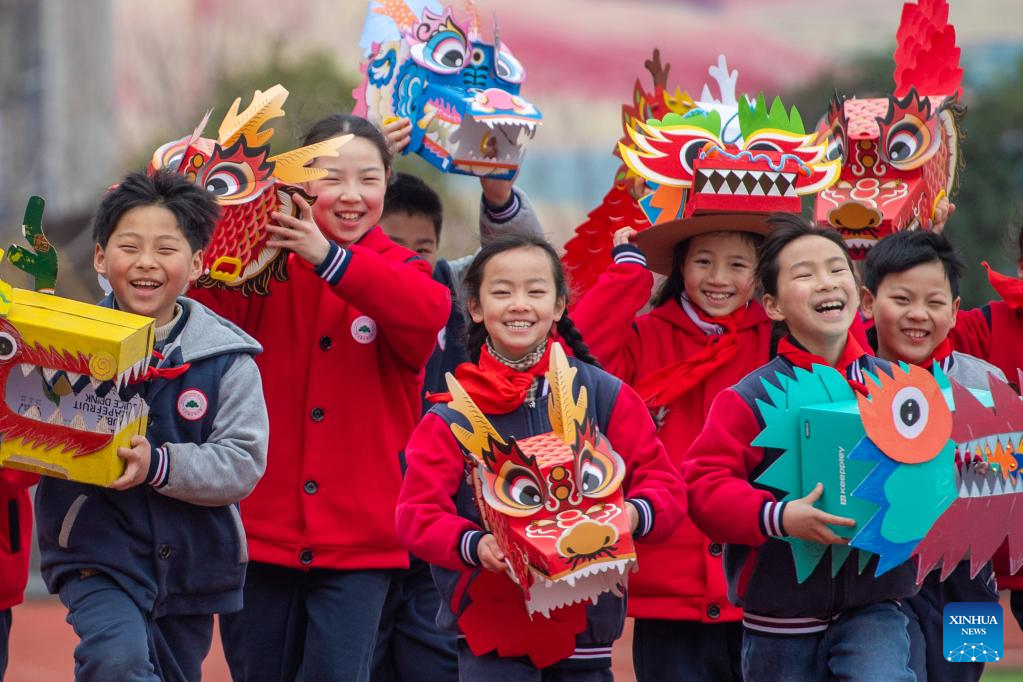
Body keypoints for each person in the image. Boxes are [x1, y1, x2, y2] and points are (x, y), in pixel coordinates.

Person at [193, 114, 451, 682]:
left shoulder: (402, 268)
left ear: (388, 180)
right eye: (331, 178)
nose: (352, 196)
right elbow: (204, 317)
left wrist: (329, 259)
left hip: (361, 541)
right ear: (298, 182)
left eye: (369, 179)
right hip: (259, 531)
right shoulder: (259, 260)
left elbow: (428, 311)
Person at [395, 233, 686, 679]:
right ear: (474, 307)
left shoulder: (604, 396)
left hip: (586, 630)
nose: (519, 304)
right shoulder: (451, 415)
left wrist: (631, 514)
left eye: (535, 291)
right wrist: (475, 545)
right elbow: (416, 514)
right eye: (501, 291)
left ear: (559, 306)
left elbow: (665, 487)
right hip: (491, 630)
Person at [36, 169, 268, 681]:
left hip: (193, 562)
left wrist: (158, 464)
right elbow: (31, 427)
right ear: (100, 256)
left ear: (197, 262)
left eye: (166, 248)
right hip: (96, 552)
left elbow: (243, 462)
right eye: (129, 246)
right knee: (115, 661)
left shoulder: (228, 359)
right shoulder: (64, 349)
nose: (146, 263)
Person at [683, 215, 917, 682]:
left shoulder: (900, 390)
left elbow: (931, 472)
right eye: (805, 274)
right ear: (771, 305)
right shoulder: (749, 398)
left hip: (876, 606)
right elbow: (703, 488)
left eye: (837, 269)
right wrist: (780, 517)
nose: (826, 282)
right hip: (778, 618)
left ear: (858, 291)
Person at [572, 222, 771, 682]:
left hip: (755, 578)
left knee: (955, 659)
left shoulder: (778, 336)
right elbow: (579, 356)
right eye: (703, 262)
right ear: (680, 267)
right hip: (668, 579)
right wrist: (628, 275)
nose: (718, 278)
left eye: (737, 265)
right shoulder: (645, 336)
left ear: (761, 276)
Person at [860, 228, 1000, 682]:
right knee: (900, 670)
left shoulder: (986, 383)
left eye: (934, 303)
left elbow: (1004, 482)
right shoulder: (848, 383)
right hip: (880, 576)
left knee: (965, 674)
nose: (918, 315)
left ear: (956, 311)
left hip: (970, 580)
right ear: (867, 302)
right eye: (901, 299)